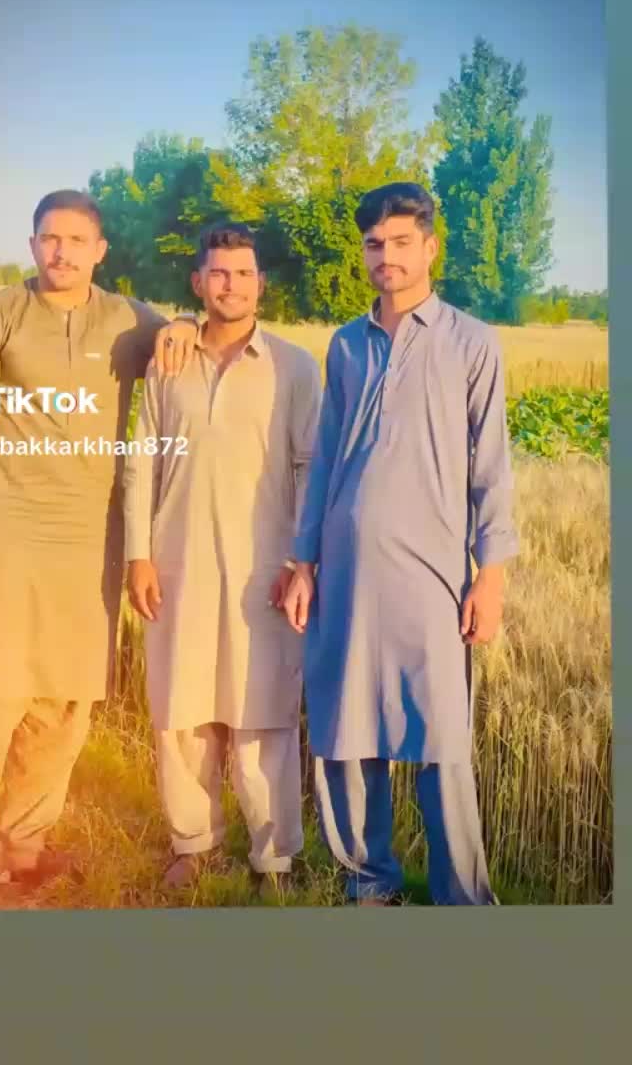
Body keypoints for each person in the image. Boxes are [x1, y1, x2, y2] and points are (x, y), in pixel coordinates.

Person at [0, 190, 197, 910]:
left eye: (77, 240)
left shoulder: (128, 322)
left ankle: (22, 853)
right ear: (32, 244)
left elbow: (182, 335)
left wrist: (185, 324)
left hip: (89, 541)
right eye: (50, 238)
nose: (62, 252)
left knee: (65, 701)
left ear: (100, 250)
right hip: (3, 533)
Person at [284, 182, 519, 906]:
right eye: (374, 244)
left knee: (441, 737)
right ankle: (369, 883)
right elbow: (327, 455)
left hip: (433, 577)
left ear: (430, 248)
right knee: (347, 729)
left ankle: (463, 899)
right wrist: (304, 561)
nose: (386, 255)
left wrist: (491, 577)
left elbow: (491, 466)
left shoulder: (471, 342)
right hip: (347, 571)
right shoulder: (346, 344)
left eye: (401, 242)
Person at [123, 223, 322, 897]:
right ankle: (193, 844)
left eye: (242, 274)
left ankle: (275, 860)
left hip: (263, 570)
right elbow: (141, 463)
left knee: (261, 715)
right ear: (197, 282)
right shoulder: (168, 360)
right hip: (176, 563)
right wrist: (138, 555)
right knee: (181, 712)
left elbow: (310, 467)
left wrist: (301, 560)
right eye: (217, 273)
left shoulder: (295, 367)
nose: (229, 285)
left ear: (260, 284)